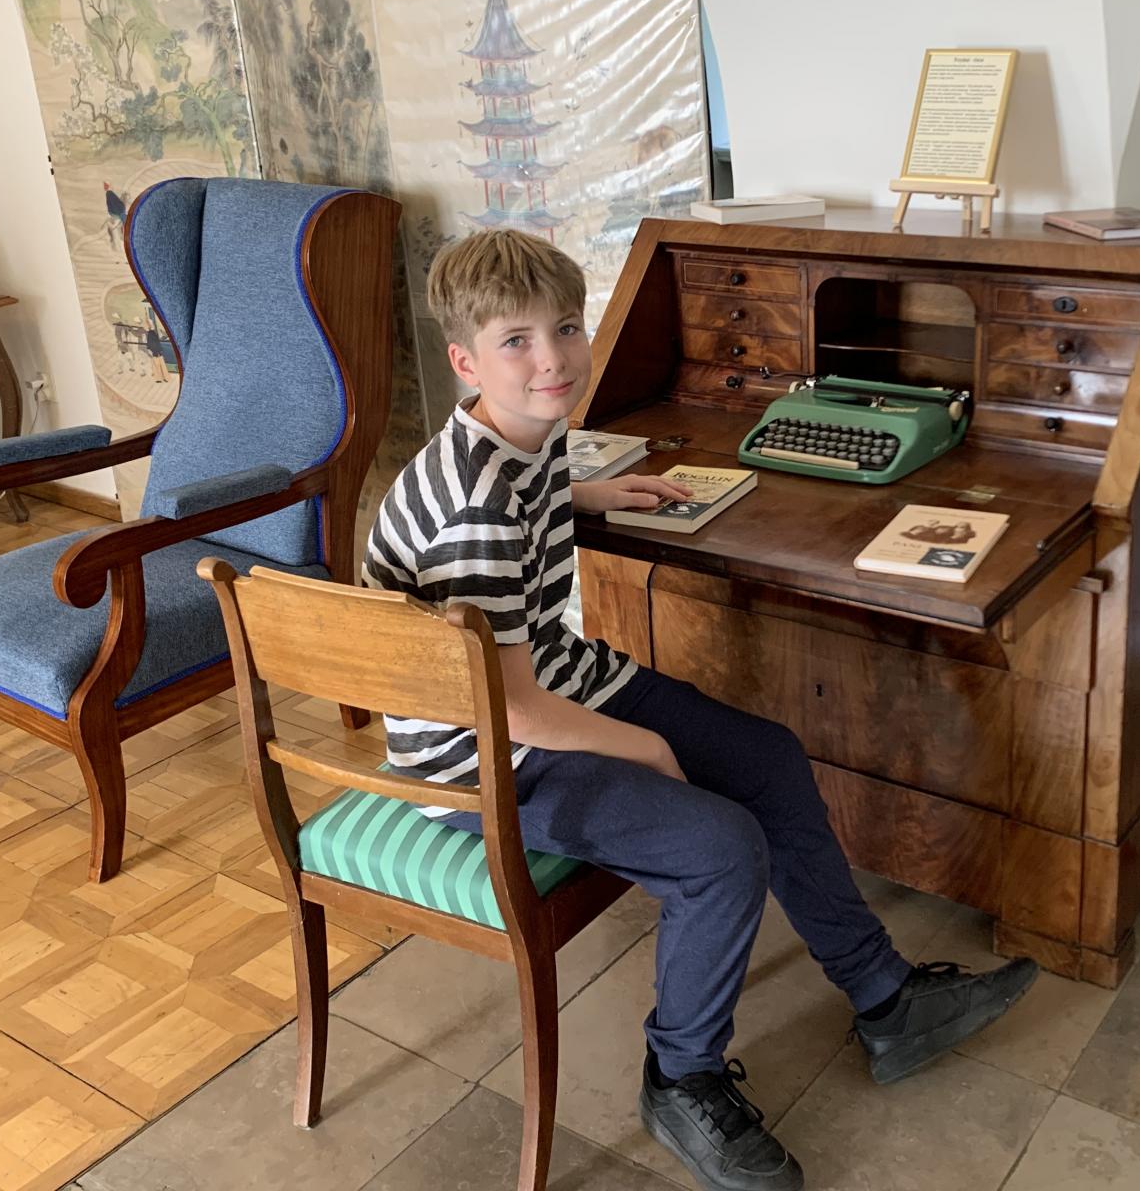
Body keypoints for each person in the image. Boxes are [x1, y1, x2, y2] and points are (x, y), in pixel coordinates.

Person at [362, 229, 1038, 1191]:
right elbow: (508, 709)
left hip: (549, 681)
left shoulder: (519, 432)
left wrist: (595, 490)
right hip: (483, 752)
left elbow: (531, 514)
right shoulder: (473, 501)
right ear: (467, 360)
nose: (551, 357)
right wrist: (643, 747)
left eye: (564, 327)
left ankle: (886, 1000)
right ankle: (680, 1079)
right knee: (719, 851)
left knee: (766, 756)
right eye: (517, 341)